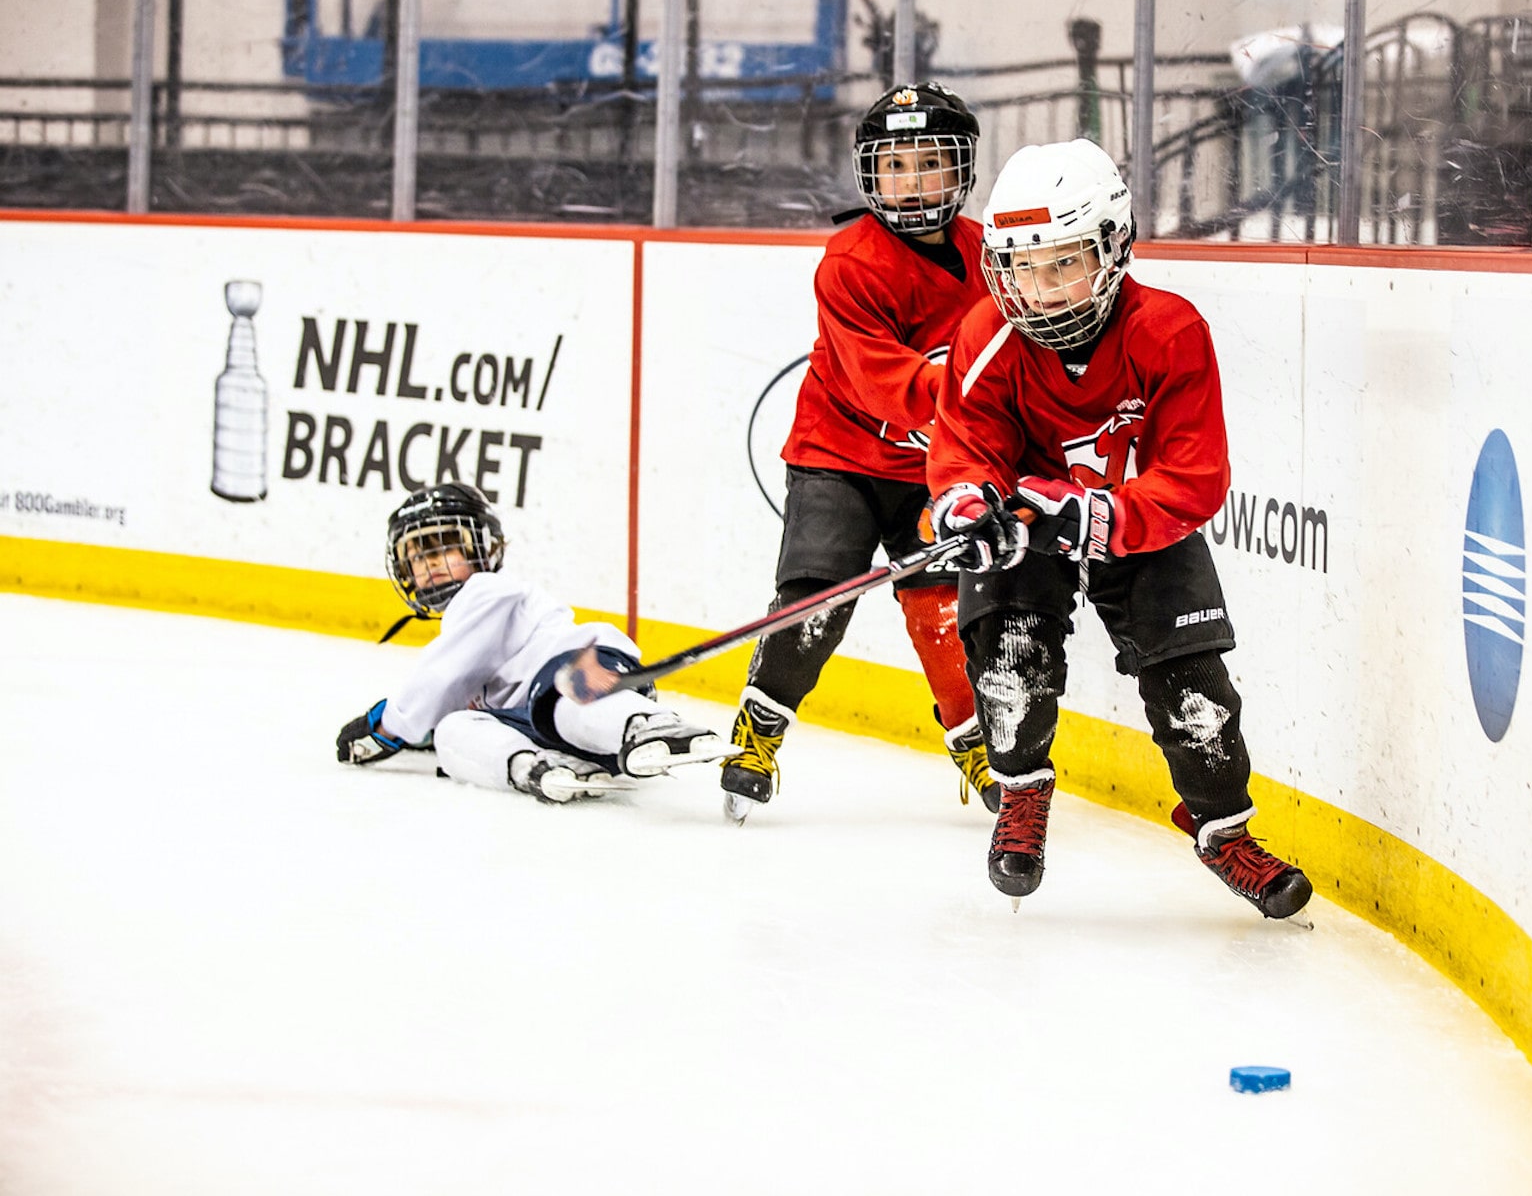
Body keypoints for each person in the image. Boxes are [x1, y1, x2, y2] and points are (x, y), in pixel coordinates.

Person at [925, 138, 1314, 920]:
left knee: (1195, 690)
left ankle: (1222, 829)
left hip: (1144, 525)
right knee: (1007, 662)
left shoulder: (1168, 332)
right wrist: (969, 506)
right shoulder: (987, 338)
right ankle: (1021, 793)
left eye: (1063, 262)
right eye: (1023, 267)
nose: (1042, 290)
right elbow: (964, 449)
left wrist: (1102, 514)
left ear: (1113, 246)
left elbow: (1195, 475)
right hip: (1029, 526)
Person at [717, 81, 996, 822]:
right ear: (871, 174)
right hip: (838, 456)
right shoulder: (850, 262)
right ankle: (760, 728)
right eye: (894, 165)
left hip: (936, 469)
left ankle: (975, 740)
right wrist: (985, 403)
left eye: (928, 163)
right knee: (817, 600)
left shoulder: (990, 257)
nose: (910, 182)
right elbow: (886, 384)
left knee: (945, 604)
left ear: (960, 171)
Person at [336, 482, 726, 803]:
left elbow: (442, 676)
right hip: (542, 728)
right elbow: (447, 699)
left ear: (482, 548)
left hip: (583, 673)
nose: (431, 564)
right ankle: (534, 767)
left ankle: (645, 725)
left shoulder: (486, 590)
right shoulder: (464, 623)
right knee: (453, 729)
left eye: (445, 546)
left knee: (561, 701)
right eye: (417, 557)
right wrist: (423, 729)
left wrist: (388, 725)